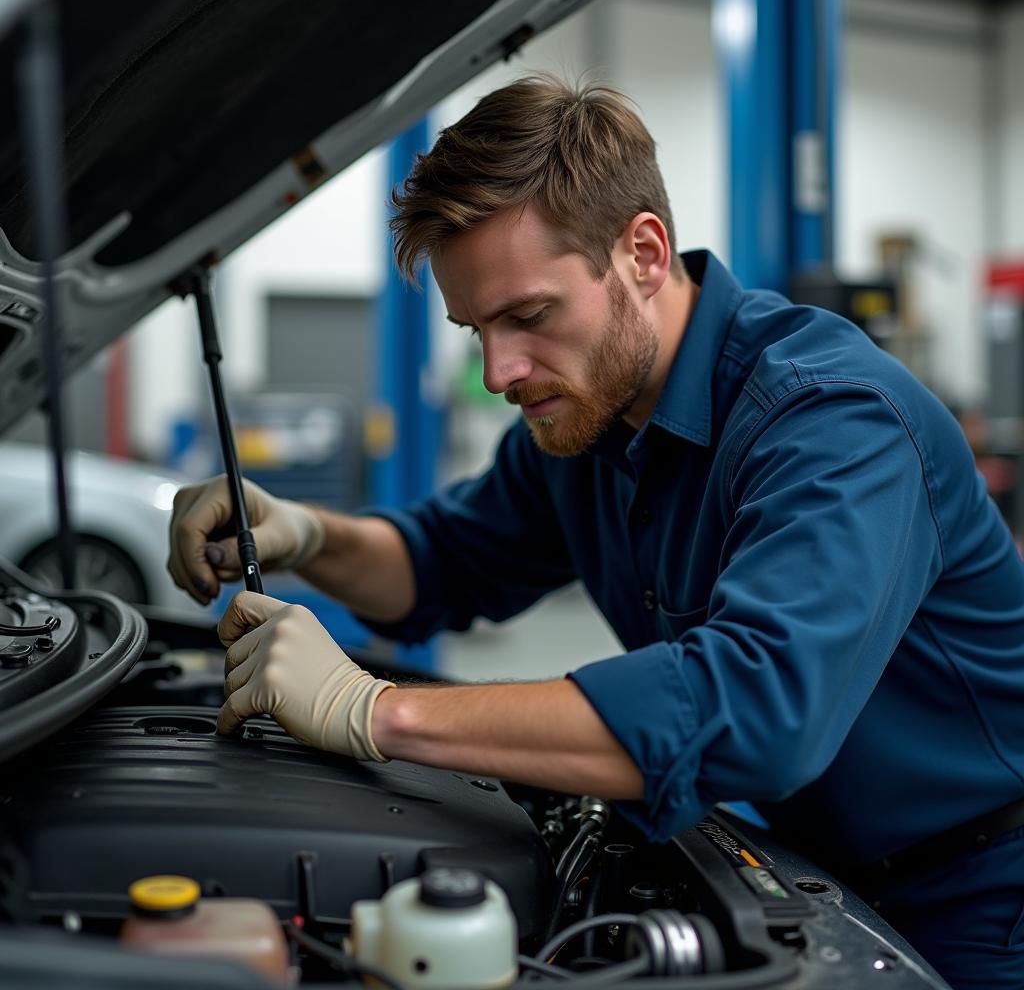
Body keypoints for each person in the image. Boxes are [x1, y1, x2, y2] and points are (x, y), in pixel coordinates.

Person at [167, 76, 1024, 988]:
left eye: (529, 317)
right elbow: (439, 564)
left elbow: (758, 706)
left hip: (985, 899)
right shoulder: (584, 422)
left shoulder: (831, 421)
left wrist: (374, 710)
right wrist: (301, 532)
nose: (500, 371)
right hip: (816, 868)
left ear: (643, 253)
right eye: (476, 329)